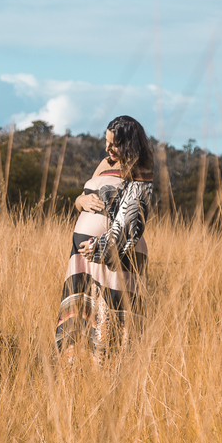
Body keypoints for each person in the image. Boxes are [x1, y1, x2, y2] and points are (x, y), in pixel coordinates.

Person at [55, 115, 154, 360]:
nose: (107, 148)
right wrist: (81, 201)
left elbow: (133, 219)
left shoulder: (141, 168)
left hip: (115, 252)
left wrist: (100, 246)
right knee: (81, 317)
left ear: (129, 144)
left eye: (114, 144)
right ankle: (77, 371)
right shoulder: (104, 163)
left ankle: (109, 372)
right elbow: (82, 197)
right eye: (106, 141)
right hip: (84, 255)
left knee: (111, 319)